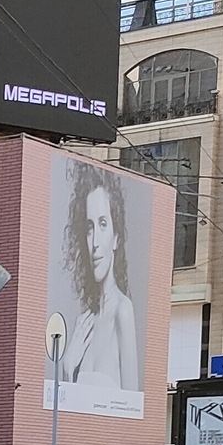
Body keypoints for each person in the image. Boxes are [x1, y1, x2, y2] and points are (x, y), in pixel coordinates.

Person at [53, 164, 140, 394]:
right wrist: (67, 368)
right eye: (90, 228)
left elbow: (132, 402)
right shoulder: (84, 321)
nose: (95, 244)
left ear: (116, 238)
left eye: (103, 224)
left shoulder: (123, 310)